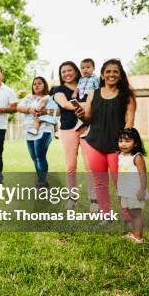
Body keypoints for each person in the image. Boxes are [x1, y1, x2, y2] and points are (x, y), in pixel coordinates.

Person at [75, 59, 136, 226]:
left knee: (120, 182)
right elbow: (88, 117)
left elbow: (129, 121)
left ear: (120, 74)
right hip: (94, 143)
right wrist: (80, 114)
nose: (111, 74)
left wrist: (126, 144)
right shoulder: (93, 93)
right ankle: (105, 215)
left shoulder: (127, 95)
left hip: (117, 146)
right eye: (108, 71)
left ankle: (127, 217)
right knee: (100, 182)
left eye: (115, 71)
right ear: (102, 75)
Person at [52, 62, 97, 211]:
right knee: (71, 166)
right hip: (68, 130)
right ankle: (72, 197)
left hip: (86, 127)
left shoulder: (86, 85)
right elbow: (65, 105)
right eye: (63, 71)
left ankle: (94, 199)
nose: (66, 73)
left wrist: (90, 104)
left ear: (76, 71)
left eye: (69, 70)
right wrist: (88, 104)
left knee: (90, 165)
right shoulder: (58, 90)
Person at [17, 77, 59, 188]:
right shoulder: (28, 98)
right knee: (34, 157)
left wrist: (44, 111)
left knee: (40, 155)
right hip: (30, 129)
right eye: (34, 84)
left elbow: (58, 112)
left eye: (39, 83)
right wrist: (29, 110)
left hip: (44, 128)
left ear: (44, 85)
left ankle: (41, 182)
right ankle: (42, 181)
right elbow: (18, 107)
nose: (36, 85)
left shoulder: (49, 98)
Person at [117, 128, 149, 243]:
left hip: (135, 191)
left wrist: (142, 189)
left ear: (136, 143)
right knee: (131, 213)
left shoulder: (137, 157)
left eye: (127, 141)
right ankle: (134, 234)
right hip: (126, 191)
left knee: (136, 214)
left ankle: (139, 238)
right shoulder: (121, 155)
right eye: (120, 141)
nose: (123, 144)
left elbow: (143, 175)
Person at [72, 58, 100, 136]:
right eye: (83, 68)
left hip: (89, 96)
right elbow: (78, 87)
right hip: (81, 96)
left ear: (93, 68)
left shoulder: (95, 78)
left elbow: (98, 88)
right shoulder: (81, 79)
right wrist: (75, 93)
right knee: (79, 109)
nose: (85, 70)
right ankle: (80, 121)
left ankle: (89, 128)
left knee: (89, 113)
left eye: (88, 67)